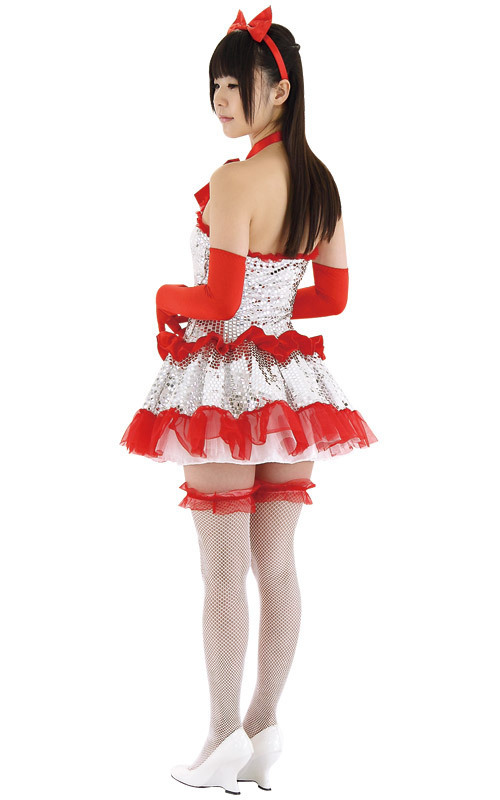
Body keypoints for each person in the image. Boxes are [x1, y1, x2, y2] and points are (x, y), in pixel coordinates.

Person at [120, 5, 378, 793]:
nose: (220, 100)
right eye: (214, 86)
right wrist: (272, 304)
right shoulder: (319, 184)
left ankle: (221, 735)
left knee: (224, 571)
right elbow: (332, 297)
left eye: (235, 85)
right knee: (279, 564)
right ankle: (264, 728)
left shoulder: (235, 180)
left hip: (224, 387)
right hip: (291, 389)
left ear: (280, 89)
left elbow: (219, 299)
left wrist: (165, 296)